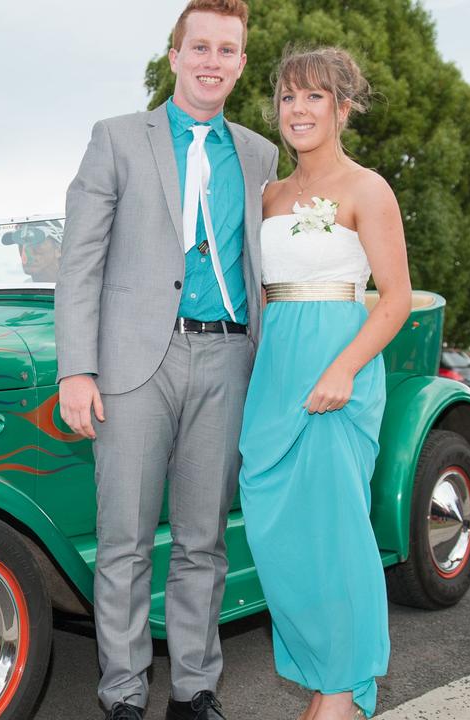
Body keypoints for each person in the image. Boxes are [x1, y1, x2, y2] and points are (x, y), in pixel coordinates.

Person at [54, 2, 278, 718]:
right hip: (131, 368)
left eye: (227, 50)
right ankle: (122, 695)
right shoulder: (117, 139)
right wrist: (75, 370)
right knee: (123, 541)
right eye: (200, 46)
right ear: (176, 54)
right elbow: (79, 262)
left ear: (241, 65)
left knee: (202, 542)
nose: (212, 61)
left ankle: (194, 690)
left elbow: (267, 268)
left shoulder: (259, 155)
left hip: (227, 361)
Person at [238, 46, 411, 720]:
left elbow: (394, 299)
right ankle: (326, 676)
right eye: (287, 97)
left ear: (341, 107)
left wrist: (343, 368)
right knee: (280, 537)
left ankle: (339, 692)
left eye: (313, 96)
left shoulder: (369, 189)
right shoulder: (268, 196)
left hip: (339, 372)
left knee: (336, 535)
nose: (298, 109)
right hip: (274, 376)